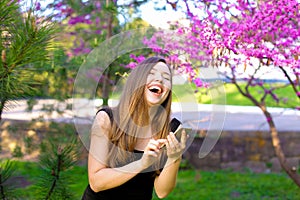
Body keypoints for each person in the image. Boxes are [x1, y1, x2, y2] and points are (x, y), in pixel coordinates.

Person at [82, 56, 187, 200]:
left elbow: (162, 192)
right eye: (151, 74)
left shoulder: (169, 130)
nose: (160, 80)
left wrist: (174, 158)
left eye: (166, 78)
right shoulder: (106, 119)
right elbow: (96, 182)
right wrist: (142, 164)